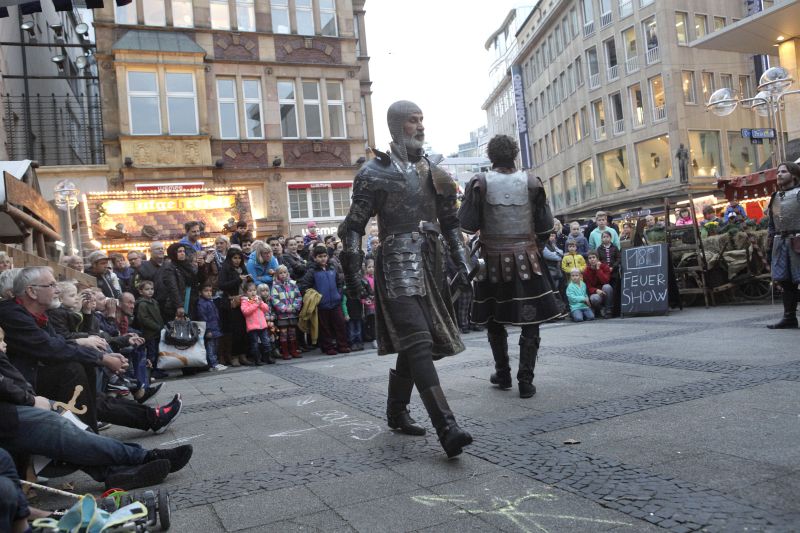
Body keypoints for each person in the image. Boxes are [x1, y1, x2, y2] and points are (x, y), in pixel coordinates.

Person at [339, 100, 472, 457]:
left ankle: (397, 411)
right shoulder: (373, 172)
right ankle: (447, 427)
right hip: (396, 261)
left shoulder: (435, 171)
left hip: (432, 262)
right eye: (413, 121)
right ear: (398, 126)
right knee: (418, 340)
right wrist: (353, 276)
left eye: (422, 120)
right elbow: (353, 228)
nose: (420, 126)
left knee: (418, 342)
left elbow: (451, 223)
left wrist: (463, 263)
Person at [0, 326, 193, 492]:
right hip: (11, 411)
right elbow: (48, 346)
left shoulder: (34, 317)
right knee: (62, 426)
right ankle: (143, 456)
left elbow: (59, 339)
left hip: (20, 401)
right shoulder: (14, 313)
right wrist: (29, 399)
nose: (5, 343)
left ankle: (115, 471)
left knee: (75, 417)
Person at [458, 133, 562, 400]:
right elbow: (546, 226)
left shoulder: (479, 183)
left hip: (492, 260)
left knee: (494, 319)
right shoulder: (532, 182)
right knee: (531, 320)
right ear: (515, 154)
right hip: (528, 259)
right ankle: (525, 380)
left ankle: (502, 373)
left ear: (490, 156)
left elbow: (467, 224)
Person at [766, 161, 800, 329]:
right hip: (781, 242)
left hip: (798, 241)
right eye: (778, 172)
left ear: (794, 175)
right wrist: (770, 241)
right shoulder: (775, 197)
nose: (779, 174)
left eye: (784, 172)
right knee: (786, 282)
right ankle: (789, 318)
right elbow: (772, 223)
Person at [299, 244, 350, 356]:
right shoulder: (312, 271)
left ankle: (342, 345)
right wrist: (315, 297)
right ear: (314, 258)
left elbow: (339, 283)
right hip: (322, 305)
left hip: (336, 303)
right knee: (324, 328)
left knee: (340, 324)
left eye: (324, 256)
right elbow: (304, 286)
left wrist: (339, 294)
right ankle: (328, 347)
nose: (323, 258)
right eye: (320, 256)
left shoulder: (332, 268)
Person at [218, 248, 250, 366]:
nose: (237, 260)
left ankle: (243, 355)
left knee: (243, 330)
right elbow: (222, 285)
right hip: (231, 303)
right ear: (230, 258)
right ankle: (234, 356)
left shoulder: (243, 269)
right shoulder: (225, 269)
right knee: (234, 331)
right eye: (234, 258)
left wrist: (249, 279)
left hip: (244, 301)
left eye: (239, 258)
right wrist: (238, 279)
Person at [155, 243, 196, 322]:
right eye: (179, 251)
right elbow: (173, 288)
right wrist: (179, 306)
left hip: (189, 301)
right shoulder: (169, 268)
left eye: (183, 251)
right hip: (175, 305)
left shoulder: (187, 265)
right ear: (173, 253)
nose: (182, 253)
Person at [134, 280, 165, 377]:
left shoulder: (154, 302)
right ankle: (151, 371)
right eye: (147, 289)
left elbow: (158, 316)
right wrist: (156, 326)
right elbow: (143, 319)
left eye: (152, 289)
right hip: (149, 333)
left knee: (156, 351)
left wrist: (161, 326)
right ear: (141, 291)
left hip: (156, 332)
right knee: (151, 352)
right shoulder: (142, 304)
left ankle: (156, 369)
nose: (150, 291)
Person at [271, 265, 303, 359]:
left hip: (292, 313)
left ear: (287, 273)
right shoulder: (275, 286)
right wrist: (285, 308)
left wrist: (294, 307)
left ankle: (293, 350)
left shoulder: (293, 284)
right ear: (277, 275)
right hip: (282, 315)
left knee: (292, 332)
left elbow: (298, 297)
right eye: (280, 273)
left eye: (285, 272)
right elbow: (275, 300)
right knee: (283, 333)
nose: (283, 274)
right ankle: (285, 352)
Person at [240, 282, 275, 365]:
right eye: (250, 291)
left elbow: (266, 309)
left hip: (262, 325)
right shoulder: (245, 301)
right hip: (252, 327)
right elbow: (245, 312)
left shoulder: (258, 299)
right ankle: (257, 359)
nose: (253, 292)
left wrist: (261, 303)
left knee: (266, 342)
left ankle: (267, 357)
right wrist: (256, 304)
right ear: (245, 292)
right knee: (255, 344)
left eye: (254, 290)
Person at [195, 284, 226, 370]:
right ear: (200, 292)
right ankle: (213, 364)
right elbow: (203, 318)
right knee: (210, 347)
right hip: (210, 330)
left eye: (210, 291)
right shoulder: (201, 304)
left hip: (215, 328)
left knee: (215, 347)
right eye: (206, 291)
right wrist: (208, 330)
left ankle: (213, 363)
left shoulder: (210, 302)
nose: (209, 293)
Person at [583, 251, 614, 318]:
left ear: (597, 258)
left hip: (605, 291)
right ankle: (600, 309)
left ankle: (608, 310)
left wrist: (598, 270)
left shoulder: (605, 267)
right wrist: (596, 290)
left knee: (607, 287)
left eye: (593, 257)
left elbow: (605, 281)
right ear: (588, 260)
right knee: (594, 298)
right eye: (590, 258)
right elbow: (588, 287)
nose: (592, 259)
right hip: (595, 293)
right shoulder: (586, 271)